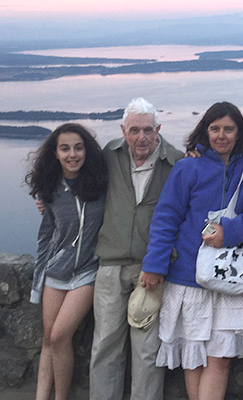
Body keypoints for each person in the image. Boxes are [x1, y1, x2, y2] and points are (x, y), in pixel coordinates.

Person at [141, 101, 243, 400]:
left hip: (230, 279)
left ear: (238, 133)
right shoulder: (187, 167)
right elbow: (166, 217)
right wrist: (155, 265)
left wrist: (228, 232)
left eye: (228, 129)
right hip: (187, 278)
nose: (221, 135)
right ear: (205, 131)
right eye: (215, 128)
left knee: (221, 359)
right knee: (193, 358)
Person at [89, 98, 184, 400]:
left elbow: (185, 216)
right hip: (111, 264)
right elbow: (76, 180)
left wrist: (162, 261)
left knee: (146, 351)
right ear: (123, 130)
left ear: (158, 129)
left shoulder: (177, 162)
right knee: (105, 345)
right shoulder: (109, 155)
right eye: (134, 130)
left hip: (151, 270)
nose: (141, 138)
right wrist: (46, 199)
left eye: (147, 130)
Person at [26, 123, 107, 400]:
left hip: (88, 271)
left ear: (87, 150)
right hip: (56, 271)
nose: (73, 154)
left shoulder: (102, 182)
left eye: (78, 147)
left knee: (60, 336)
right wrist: (39, 279)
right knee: (48, 339)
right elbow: (46, 237)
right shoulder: (49, 190)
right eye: (65, 148)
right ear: (56, 153)